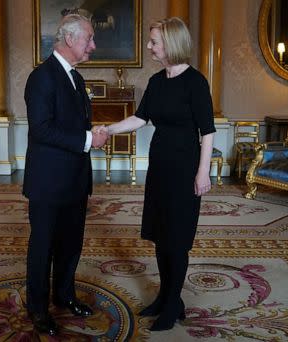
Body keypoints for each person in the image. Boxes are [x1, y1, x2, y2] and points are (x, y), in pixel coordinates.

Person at [95, 17, 215, 331]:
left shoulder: (196, 83)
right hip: (160, 168)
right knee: (161, 237)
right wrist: (108, 129)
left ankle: (173, 303)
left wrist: (204, 173)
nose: (149, 47)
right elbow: (139, 118)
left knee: (177, 241)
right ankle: (166, 297)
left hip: (186, 170)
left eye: (153, 42)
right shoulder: (157, 81)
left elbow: (208, 132)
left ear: (171, 45)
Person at [23, 14, 107, 336]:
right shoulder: (42, 77)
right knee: (43, 247)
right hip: (48, 183)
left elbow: (72, 126)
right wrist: (88, 139)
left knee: (72, 244)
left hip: (75, 180)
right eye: (89, 39)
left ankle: (64, 295)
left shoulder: (77, 78)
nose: (93, 46)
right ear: (70, 40)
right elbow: (42, 130)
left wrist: (91, 133)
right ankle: (38, 309)